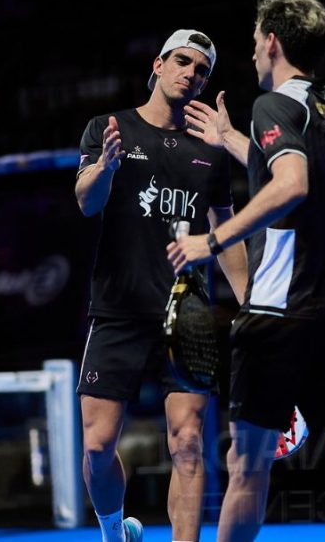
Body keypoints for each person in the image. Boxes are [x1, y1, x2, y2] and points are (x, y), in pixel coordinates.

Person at [170, 0, 325, 542]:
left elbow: (292, 184)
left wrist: (214, 240)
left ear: (272, 41)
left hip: (279, 309)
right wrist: (230, 139)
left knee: (247, 466)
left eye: (254, 40)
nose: (251, 51)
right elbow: (300, 167)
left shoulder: (273, 104)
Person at [74, 28, 248, 542]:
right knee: (98, 446)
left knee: (189, 442)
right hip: (119, 310)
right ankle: (114, 529)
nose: (190, 73)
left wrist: (252, 304)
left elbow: (228, 231)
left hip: (187, 313)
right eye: (182, 61)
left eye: (201, 70)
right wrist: (105, 167)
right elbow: (86, 201)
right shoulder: (110, 130)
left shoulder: (211, 151)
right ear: (158, 64)